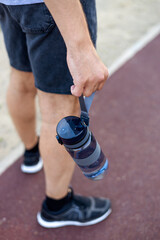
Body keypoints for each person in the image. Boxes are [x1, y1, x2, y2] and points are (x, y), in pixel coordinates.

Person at [0, 0, 111, 228]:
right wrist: (80, 47)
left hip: (11, 3)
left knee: (21, 77)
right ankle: (57, 206)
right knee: (61, 108)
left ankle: (32, 153)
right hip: (55, 7)